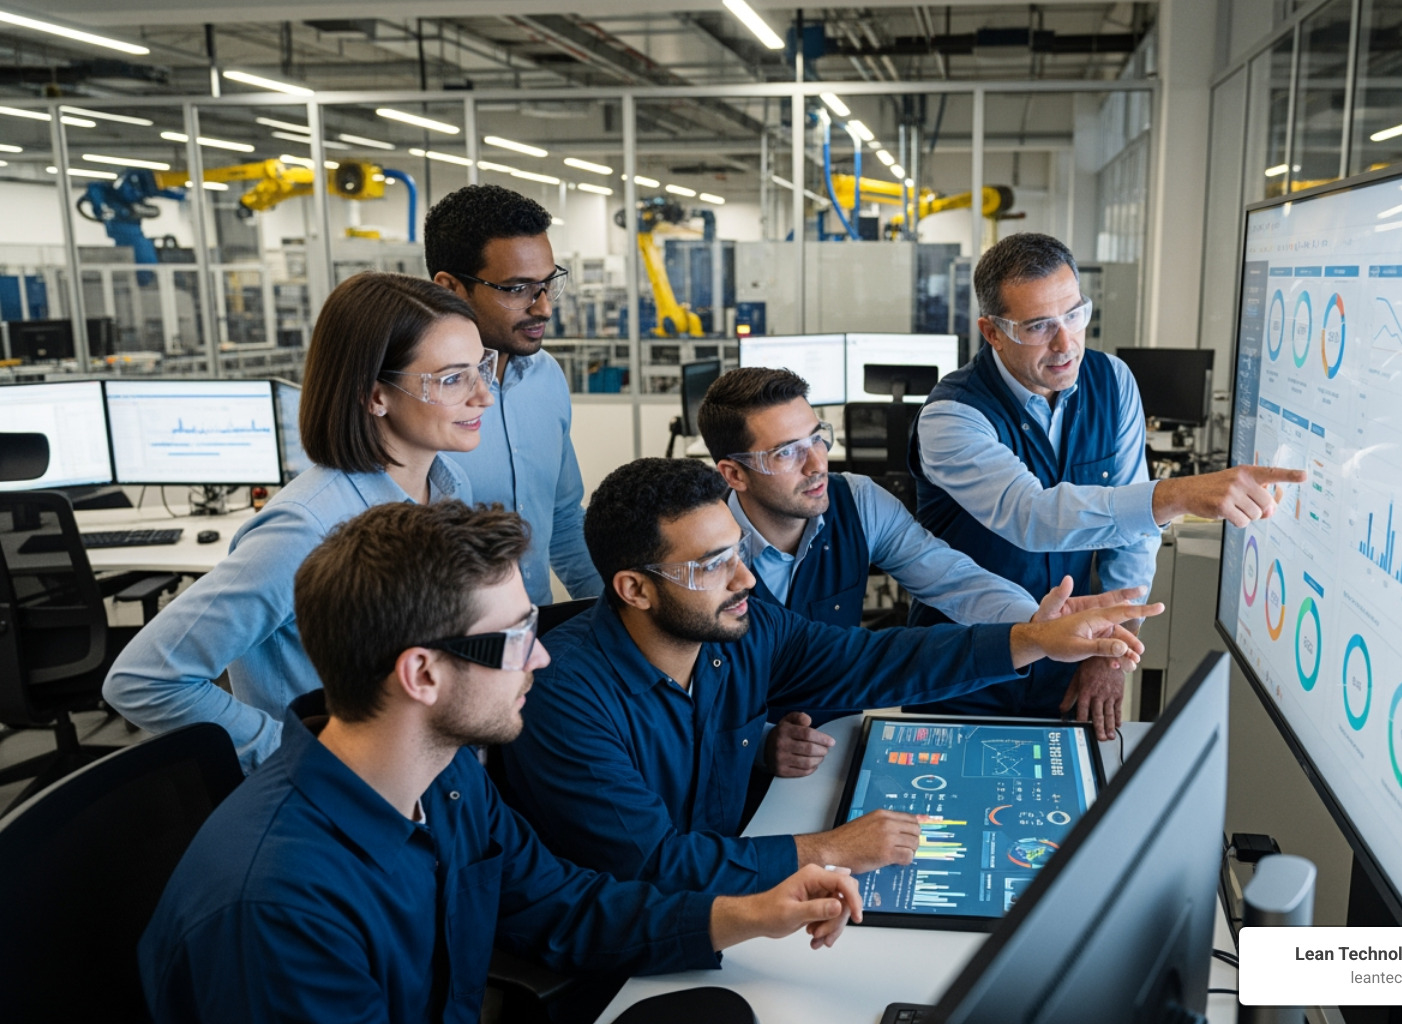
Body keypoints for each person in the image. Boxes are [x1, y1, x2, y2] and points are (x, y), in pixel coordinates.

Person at [140, 501, 864, 1023]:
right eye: (516, 638)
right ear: (422, 674)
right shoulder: (279, 909)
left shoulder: (446, 777)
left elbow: (563, 906)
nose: (542, 657)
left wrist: (749, 913)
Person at [501, 457, 1159, 897]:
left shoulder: (741, 629)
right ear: (634, 590)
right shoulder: (565, 697)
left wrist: (1033, 640)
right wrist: (829, 849)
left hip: (735, 898)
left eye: (738, 552)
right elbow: (655, 866)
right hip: (633, 957)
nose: (745, 579)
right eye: (712, 565)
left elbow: (872, 660)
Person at [909, 231, 1306, 733]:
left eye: (1074, 315)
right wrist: (1178, 494)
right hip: (966, 669)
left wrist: (1110, 651)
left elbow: (1133, 539)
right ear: (993, 332)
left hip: (1070, 665)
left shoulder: (1112, 381)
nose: (1065, 343)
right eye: (1038, 326)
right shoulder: (953, 416)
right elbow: (1034, 517)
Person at [104, 273, 493, 771]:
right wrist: (299, 756)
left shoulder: (449, 486)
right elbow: (145, 678)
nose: (483, 395)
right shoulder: (306, 528)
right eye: (452, 379)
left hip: (430, 773)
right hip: (349, 795)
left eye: (481, 369)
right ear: (375, 395)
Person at [696, 366, 1146, 771]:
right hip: (725, 772)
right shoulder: (698, 551)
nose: (816, 464)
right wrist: (759, 742)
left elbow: (951, 578)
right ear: (734, 475)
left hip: (831, 749)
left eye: (817, 438)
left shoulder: (857, 501)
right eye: (786, 453)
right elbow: (675, 700)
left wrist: (1040, 622)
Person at [426, 183, 603, 605]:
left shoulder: (546, 377)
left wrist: (612, 614)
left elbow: (562, 518)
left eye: (547, 283)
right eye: (517, 289)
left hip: (535, 631)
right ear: (450, 287)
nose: (543, 307)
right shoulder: (414, 400)